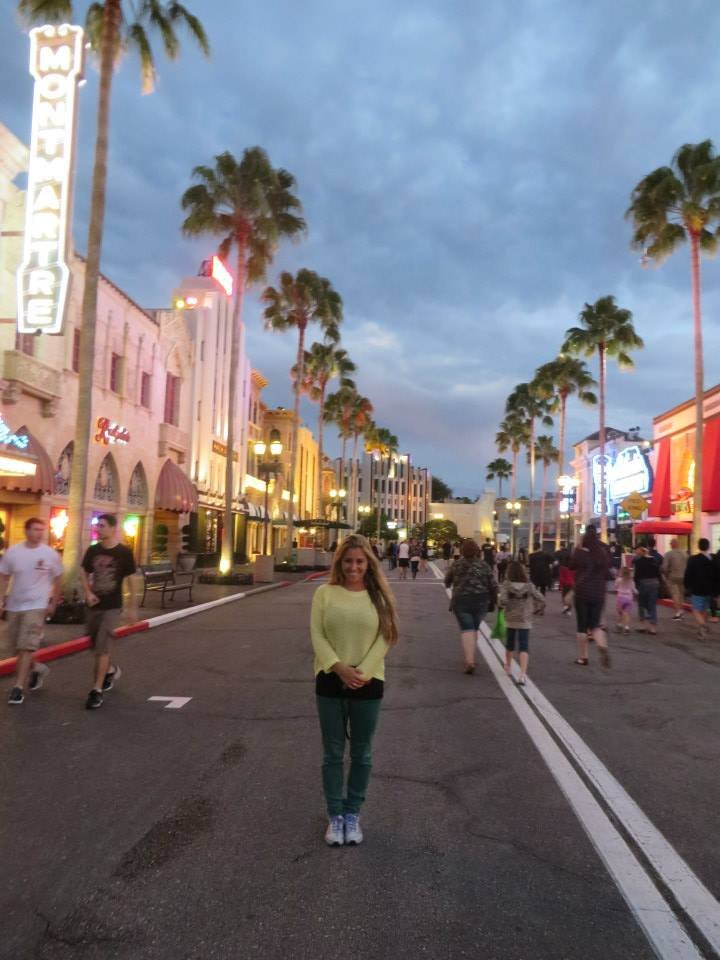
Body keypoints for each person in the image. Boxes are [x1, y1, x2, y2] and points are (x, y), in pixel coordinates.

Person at [310, 534, 399, 847]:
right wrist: (340, 668)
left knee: (362, 752)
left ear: (368, 563)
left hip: (368, 681)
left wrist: (362, 671)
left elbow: (387, 636)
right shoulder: (324, 593)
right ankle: (334, 815)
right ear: (340, 562)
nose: (353, 567)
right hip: (330, 679)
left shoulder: (379, 596)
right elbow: (317, 636)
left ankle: (352, 813)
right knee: (332, 752)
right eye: (348, 561)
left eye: (360, 561)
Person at [0, 518, 63, 705]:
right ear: (27, 531)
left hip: (37, 606)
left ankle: (18, 687)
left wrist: (53, 601)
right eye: (36, 529)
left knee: (27, 645)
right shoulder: (13, 553)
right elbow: (3, 577)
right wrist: (1, 598)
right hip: (15, 605)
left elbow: (58, 578)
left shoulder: (50, 554)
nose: (40, 533)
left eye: (42, 530)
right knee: (16, 647)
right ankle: (36, 668)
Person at [80, 513, 137, 710]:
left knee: (102, 648)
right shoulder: (93, 550)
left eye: (102, 525)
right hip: (93, 606)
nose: (99, 529)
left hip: (112, 606)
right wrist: (87, 592)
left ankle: (96, 690)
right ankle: (110, 670)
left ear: (113, 528)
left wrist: (132, 608)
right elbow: (84, 572)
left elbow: (131, 580)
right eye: (98, 525)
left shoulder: (124, 552)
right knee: (95, 647)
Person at [444, 538, 496, 674]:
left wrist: (454, 582)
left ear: (462, 551)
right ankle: (471, 656)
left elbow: (447, 581)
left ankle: (469, 660)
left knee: (467, 628)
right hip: (481, 600)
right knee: (474, 627)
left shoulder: (456, 565)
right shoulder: (484, 565)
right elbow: (493, 585)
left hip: (461, 600)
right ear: (477, 551)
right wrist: (493, 602)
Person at [499, 560, 545, 685]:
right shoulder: (529, 585)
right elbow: (540, 597)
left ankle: (508, 666)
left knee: (510, 644)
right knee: (524, 646)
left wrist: (502, 605)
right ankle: (522, 674)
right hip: (525, 619)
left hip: (511, 619)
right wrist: (538, 607)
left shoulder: (507, 585)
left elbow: (502, 600)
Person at [571, 526, 611, 667]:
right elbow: (607, 573)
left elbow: (571, 566)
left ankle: (583, 657)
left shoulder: (580, 553)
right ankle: (602, 645)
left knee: (581, 626)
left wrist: (578, 548)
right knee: (595, 625)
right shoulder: (602, 554)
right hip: (598, 592)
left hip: (582, 590)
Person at [684, 538, 720, 640]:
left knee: (695, 609)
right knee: (704, 609)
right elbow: (717, 575)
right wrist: (716, 590)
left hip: (697, 588)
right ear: (708, 546)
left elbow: (688, 574)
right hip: (710, 589)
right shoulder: (713, 559)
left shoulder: (693, 559)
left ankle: (702, 624)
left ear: (699, 546)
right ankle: (701, 632)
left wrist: (687, 586)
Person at [633, 545, 661, 636]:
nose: (636, 552)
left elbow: (636, 575)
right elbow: (658, 573)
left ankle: (642, 626)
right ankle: (653, 628)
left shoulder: (638, 561)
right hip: (654, 583)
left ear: (641, 551)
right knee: (652, 604)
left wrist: (635, 587)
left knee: (641, 604)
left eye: (637, 550)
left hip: (643, 583)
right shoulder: (654, 560)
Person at [661, 538, 688, 621]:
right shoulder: (685, 554)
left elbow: (664, 567)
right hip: (683, 577)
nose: (670, 544)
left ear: (672, 544)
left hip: (673, 577)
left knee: (675, 594)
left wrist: (666, 575)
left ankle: (678, 613)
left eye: (670, 543)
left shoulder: (668, 554)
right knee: (681, 594)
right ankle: (681, 610)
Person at [615, 566, 636, 634]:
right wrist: (637, 592)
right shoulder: (631, 581)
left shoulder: (619, 579)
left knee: (620, 613)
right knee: (627, 614)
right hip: (628, 599)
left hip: (620, 598)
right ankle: (626, 627)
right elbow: (634, 589)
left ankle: (619, 625)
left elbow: (615, 586)